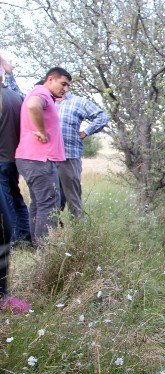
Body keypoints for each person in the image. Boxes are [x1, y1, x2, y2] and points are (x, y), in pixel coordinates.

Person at [15, 67, 70, 245]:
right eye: (63, 84)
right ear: (50, 79)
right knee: (50, 205)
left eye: (68, 86)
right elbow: (32, 105)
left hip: (30, 159)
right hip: (39, 159)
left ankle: (37, 247)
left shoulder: (43, 94)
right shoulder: (42, 93)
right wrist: (40, 130)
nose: (65, 89)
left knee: (39, 204)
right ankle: (45, 252)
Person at [0, 57, 30, 313]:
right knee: (16, 198)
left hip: (1, 160)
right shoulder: (15, 97)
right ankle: (24, 238)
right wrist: (10, 74)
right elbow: (20, 94)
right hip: (14, 158)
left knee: (7, 208)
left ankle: (15, 239)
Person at [56, 92, 108, 217]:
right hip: (47, 158)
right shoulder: (47, 101)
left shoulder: (78, 102)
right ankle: (51, 233)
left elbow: (102, 117)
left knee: (73, 198)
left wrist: (86, 132)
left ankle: (79, 233)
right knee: (51, 198)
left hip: (69, 156)